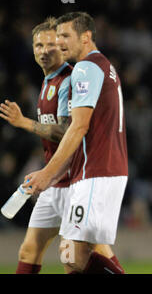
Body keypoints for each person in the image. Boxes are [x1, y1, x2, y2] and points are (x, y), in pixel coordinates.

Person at [0, 17, 123, 274]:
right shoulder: (50, 82)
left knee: (77, 257)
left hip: (77, 177)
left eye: (54, 43)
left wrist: (24, 123)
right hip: (61, 179)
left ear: (84, 37)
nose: (47, 49)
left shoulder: (76, 74)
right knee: (32, 251)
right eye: (39, 45)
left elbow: (72, 129)